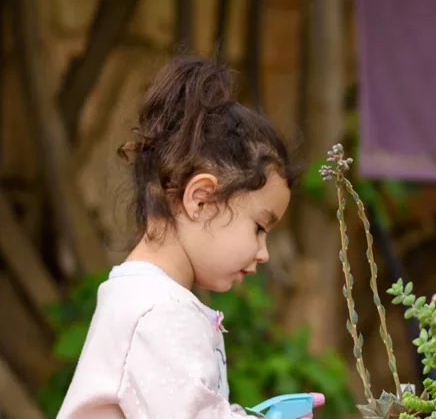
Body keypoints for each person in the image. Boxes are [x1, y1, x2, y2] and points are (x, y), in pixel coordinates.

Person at [58, 55, 297, 418]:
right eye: (259, 227)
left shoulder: (142, 296)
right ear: (200, 200)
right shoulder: (161, 312)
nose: (263, 253)